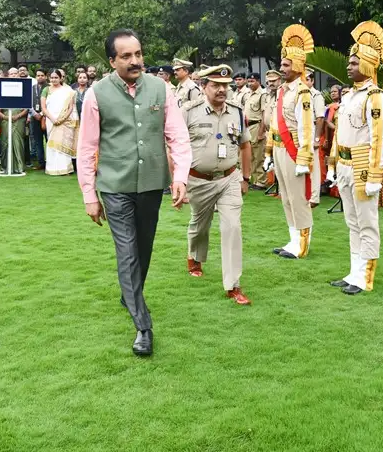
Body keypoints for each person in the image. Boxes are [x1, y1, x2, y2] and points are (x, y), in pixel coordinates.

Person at [77, 29, 191, 357]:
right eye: (126, 56)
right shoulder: (97, 94)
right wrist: (89, 195)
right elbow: (86, 148)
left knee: (143, 248)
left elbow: (177, 135)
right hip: (115, 186)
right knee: (127, 250)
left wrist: (179, 176)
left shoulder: (160, 88)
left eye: (138, 54)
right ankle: (143, 325)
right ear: (112, 60)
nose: (135, 61)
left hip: (153, 183)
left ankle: (129, 293)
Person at [326, 21, 383, 295]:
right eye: (349, 62)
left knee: (367, 222)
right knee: (351, 221)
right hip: (343, 163)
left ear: (367, 64)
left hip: (364, 165)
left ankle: (366, 276)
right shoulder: (350, 95)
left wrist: (376, 174)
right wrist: (332, 164)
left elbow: (379, 137)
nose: (349, 67)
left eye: (354, 62)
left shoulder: (375, 97)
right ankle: (354, 272)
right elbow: (339, 132)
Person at [182, 65, 253, 304]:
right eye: (216, 85)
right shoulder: (189, 112)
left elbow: (245, 145)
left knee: (232, 227)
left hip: (229, 178)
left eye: (226, 85)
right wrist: (177, 181)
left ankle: (233, 285)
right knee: (199, 225)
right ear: (204, 87)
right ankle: (194, 256)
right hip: (198, 180)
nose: (222, 90)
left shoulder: (237, 112)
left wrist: (245, 178)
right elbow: (176, 148)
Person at [264, 25, 316, 259]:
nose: (282, 68)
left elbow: (306, 127)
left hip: (293, 150)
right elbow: (275, 122)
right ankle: (293, 239)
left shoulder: (302, 93)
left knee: (298, 198)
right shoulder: (283, 90)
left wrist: (304, 158)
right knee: (285, 197)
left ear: (297, 66)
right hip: (278, 147)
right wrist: (268, 153)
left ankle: (303, 244)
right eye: (282, 64)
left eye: (286, 65)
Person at [41, 69, 78, 176]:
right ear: (49, 78)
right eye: (52, 77)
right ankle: (52, 169)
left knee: (64, 142)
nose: (54, 79)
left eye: (56, 77)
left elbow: (71, 107)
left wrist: (62, 119)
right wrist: (52, 119)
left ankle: (65, 169)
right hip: (51, 120)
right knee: (52, 144)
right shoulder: (46, 90)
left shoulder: (68, 91)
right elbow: (44, 107)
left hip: (64, 121)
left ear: (61, 78)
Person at [242, 72, 268, 188]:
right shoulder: (247, 94)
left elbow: (264, 114)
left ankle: (261, 181)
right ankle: (253, 179)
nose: (250, 83)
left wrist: (261, 132)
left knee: (258, 155)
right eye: (248, 81)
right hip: (247, 126)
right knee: (250, 155)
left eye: (252, 81)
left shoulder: (262, 94)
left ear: (258, 81)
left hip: (257, 126)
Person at [305, 68, 327, 207]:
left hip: (312, 129)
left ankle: (314, 196)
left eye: (307, 79)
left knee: (313, 165)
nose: (304, 81)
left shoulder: (316, 95)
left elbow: (320, 118)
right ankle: (304, 193)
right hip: (301, 131)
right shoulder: (299, 94)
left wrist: (317, 138)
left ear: (312, 81)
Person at [28, 69, 47, 169]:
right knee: (38, 141)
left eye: (42, 75)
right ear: (35, 77)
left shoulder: (49, 88)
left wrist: (42, 113)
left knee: (49, 140)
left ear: (46, 76)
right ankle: (41, 163)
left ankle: (51, 162)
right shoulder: (32, 88)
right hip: (34, 118)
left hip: (47, 117)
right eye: (38, 75)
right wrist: (34, 114)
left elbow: (51, 103)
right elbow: (27, 102)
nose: (40, 77)